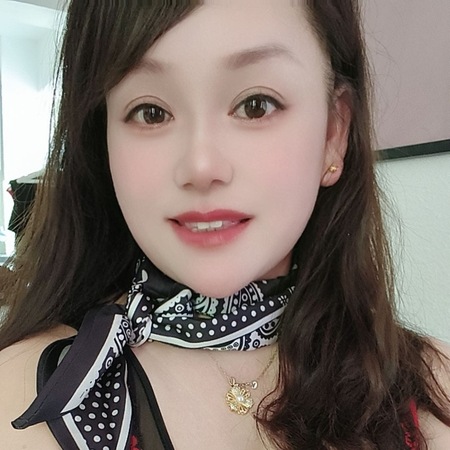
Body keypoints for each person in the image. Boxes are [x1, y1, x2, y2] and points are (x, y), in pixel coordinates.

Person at [0, 1, 449, 449]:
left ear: (334, 132)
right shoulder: (22, 393)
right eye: (150, 112)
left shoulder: (436, 393)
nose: (201, 166)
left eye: (256, 105)